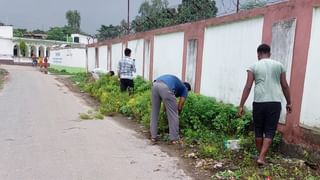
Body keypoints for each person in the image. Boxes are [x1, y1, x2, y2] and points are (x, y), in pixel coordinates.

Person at [238, 44, 292, 165]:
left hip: (259, 102)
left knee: (258, 129)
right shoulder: (279, 66)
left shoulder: (253, 66)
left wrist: (241, 105)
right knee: (270, 130)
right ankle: (261, 157)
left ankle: (260, 156)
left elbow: (248, 86)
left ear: (258, 54)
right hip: (274, 102)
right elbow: (285, 85)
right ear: (269, 53)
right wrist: (289, 102)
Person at [151, 74, 191, 144]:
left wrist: (165, 110)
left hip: (155, 84)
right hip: (166, 87)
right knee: (173, 114)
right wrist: (178, 113)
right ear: (188, 89)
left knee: (154, 113)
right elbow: (180, 106)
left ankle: (153, 137)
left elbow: (166, 101)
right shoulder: (185, 89)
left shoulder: (176, 84)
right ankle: (174, 139)